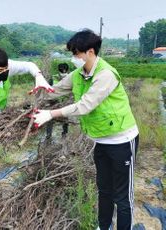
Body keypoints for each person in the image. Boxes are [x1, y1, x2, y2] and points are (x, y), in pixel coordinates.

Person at [32, 29, 139, 230]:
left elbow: (85, 105)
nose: (74, 58)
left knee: (122, 196)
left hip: (122, 141)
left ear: (90, 51)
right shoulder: (79, 74)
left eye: (76, 53)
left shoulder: (106, 75)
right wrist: (41, 89)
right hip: (101, 141)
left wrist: (51, 114)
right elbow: (58, 90)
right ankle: (103, 226)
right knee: (104, 190)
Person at [0, 47, 53, 221]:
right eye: (0, 71)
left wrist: (39, 77)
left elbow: (29, 65)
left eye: (6, 69)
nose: (5, 73)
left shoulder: (5, 66)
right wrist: (18, 128)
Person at [46, 62, 70, 139]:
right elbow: (47, 90)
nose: (63, 72)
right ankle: (48, 135)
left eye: (64, 70)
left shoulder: (71, 78)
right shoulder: (53, 78)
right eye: (62, 70)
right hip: (54, 103)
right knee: (50, 118)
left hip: (65, 103)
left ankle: (64, 134)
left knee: (65, 119)